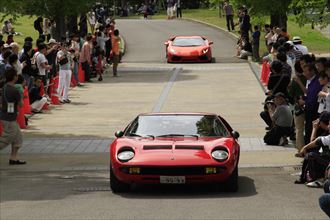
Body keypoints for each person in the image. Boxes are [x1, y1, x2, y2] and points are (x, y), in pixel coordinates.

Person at [0, 68, 25, 165]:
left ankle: (13, 158)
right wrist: (21, 93)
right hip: (9, 118)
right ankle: (13, 158)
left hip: (7, 116)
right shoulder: (15, 90)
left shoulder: (5, 87)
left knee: (18, 138)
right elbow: (21, 104)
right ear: (14, 77)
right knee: (5, 140)